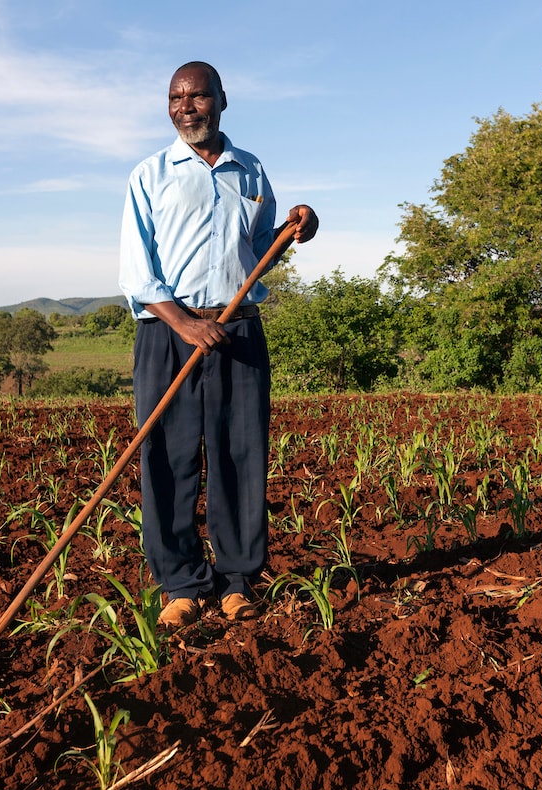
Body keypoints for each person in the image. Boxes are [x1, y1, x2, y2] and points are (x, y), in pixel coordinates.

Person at [118, 61, 318, 626]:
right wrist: (184, 323)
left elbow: (259, 253)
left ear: (221, 100)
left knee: (240, 454)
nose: (186, 106)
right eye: (176, 97)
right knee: (167, 457)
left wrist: (299, 229)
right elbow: (137, 271)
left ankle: (236, 581)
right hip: (167, 333)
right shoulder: (149, 175)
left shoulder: (250, 171)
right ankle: (180, 583)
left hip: (237, 328)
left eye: (198, 96)